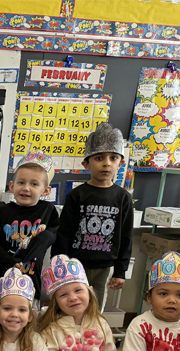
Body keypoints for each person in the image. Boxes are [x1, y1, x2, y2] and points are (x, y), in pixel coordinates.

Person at [52, 122, 133, 310]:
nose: (106, 163)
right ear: (86, 164)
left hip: (105, 267)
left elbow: (126, 238)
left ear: (121, 163)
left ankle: (90, 339)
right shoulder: (77, 195)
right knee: (70, 307)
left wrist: (120, 271)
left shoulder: (123, 198)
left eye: (113, 158)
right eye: (99, 158)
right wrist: (59, 262)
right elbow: (63, 232)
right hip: (74, 265)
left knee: (95, 310)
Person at [0, 151, 59, 303]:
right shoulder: (3, 212)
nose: (26, 188)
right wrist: (9, 260)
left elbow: (53, 235)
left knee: (29, 320)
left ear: (46, 190)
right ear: (12, 186)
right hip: (3, 281)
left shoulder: (48, 210)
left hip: (31, 283)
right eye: (21, 183)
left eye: (34, 184)